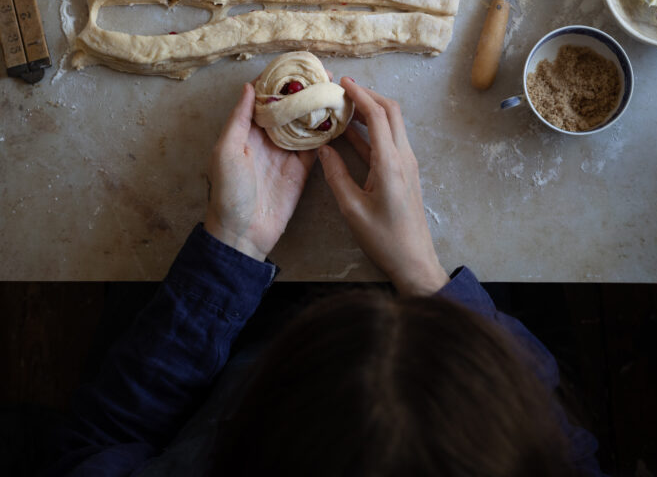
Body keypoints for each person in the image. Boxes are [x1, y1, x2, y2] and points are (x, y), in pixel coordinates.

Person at [42, 78, 605, 476]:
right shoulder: (535, 455)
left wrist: (229, 248)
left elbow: (96, 448)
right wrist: (425, 276)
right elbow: (570, 453)